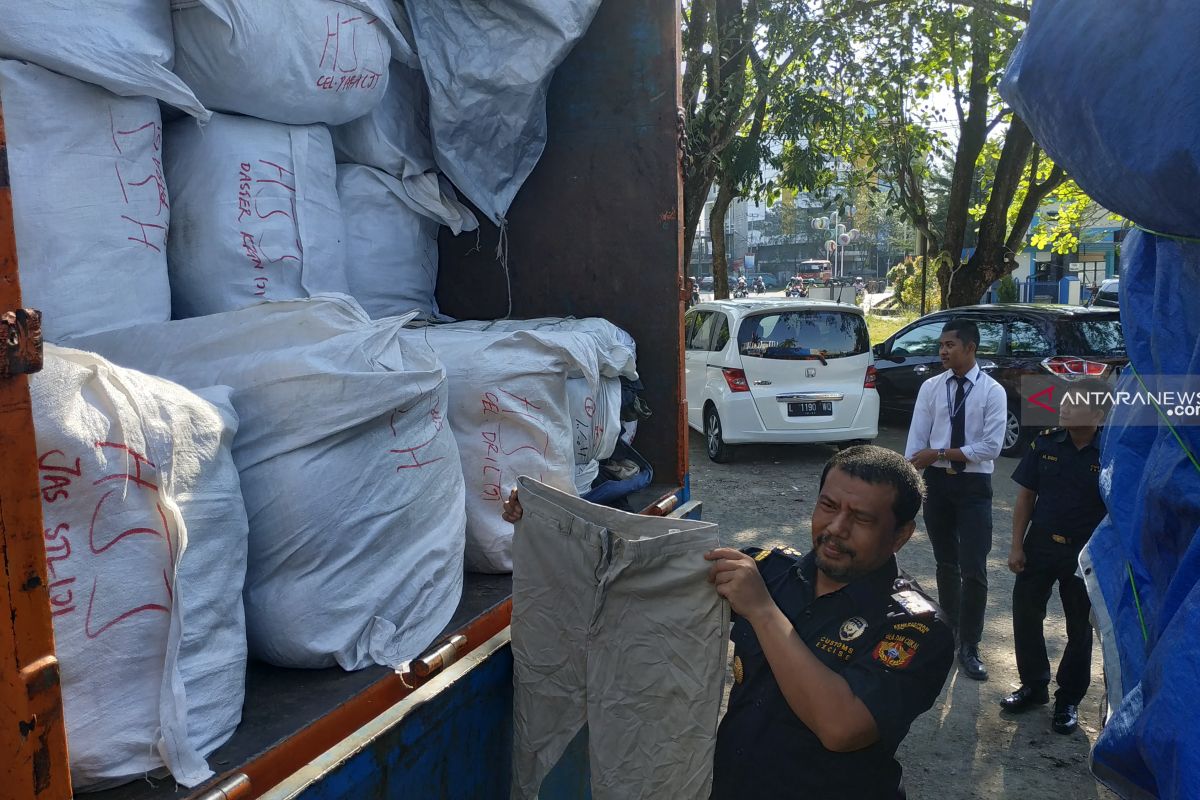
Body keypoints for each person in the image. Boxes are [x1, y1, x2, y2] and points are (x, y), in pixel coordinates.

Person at [502, 447, 954, 799]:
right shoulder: (774, 570)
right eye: (828, 506)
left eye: (860, 519)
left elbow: (842, 727)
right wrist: (551, 524)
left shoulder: (913, 627)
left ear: (900, 535)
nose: (835, 528)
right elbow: (645, 571)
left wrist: (762, 612)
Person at [1001, 379, 1110, 734]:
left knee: (1079, 629)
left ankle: (1068, 701)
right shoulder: (1045, 442)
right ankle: (1034, 687)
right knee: (1026, 614)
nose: (1063, 407)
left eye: (1073, 403)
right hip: (1041, 546)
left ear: (1097, 413)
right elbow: (1025, 498)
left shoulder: (1110, 452)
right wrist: (1017, 545)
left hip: (1084, 555)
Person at [904, 319, 1007, 681]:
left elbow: (991, 448)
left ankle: (971, 644)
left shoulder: (993, 391)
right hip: (936, 486)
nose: (943, 351)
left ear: (970, 347)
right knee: (945, 563)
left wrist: (941, 453)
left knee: (974, 568)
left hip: (974, 488)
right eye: (941, 345)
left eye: (950, 344)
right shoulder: (931, 388)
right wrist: (913, 475)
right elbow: (916, 445)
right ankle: (947, 633)